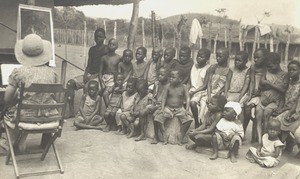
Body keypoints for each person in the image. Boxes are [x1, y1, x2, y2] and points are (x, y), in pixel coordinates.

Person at [4, 34, 58, 152]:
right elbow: (53, 96)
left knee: (6, 111)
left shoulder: (19, 72)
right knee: (23, 107)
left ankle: (12, 143)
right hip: (49, 117)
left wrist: (17, 95)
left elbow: (7, 99)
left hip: (25, 117)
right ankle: (20, 141)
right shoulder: (52, 74)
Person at [66, 28, 108, 118]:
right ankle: (71, 112)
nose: (98, 39)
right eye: (96, 37)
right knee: (70, 83)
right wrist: (85, 74)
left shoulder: (106, 49)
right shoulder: (92, 49)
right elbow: (89, 64)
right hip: (90, 74)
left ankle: (91, 113)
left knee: (88, 86)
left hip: (99, 75)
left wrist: (94, 78)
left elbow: (106, 67)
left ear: (104, 37)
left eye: (100, 37)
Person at [256, 52, 289, 144]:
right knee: (258, 114)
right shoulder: (266, 71)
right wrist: (275, 86)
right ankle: (259, 140)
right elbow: (260, 86)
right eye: (267, 66)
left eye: (270, 66)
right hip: (263, 100)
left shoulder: (284, 75)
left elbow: (282, 90)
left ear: (278, 62)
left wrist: (269, 83)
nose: (269, 68)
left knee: (266, 114)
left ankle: (265, 141)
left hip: (274, 102)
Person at [154, 70, 193, 145]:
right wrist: (162, 108)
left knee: (189, 120)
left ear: (180, 79)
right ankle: (164, 134)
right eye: (170, 77)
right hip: (168, 108)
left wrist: (187, 109)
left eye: (173, 77)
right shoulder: (168, 86)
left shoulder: (184, 87)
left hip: (180, 109)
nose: (171, 79)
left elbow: (188, 98)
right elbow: (164, 98)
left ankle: (181, 135)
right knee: (157, 118)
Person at [272, 60, 300, 152]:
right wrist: (280, 108)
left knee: (281, 119)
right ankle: (280, 144)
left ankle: (287, 144)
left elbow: (296, 103)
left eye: (294, 70)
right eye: (289, 69)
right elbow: (284, 97)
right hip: (286, 108)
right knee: (274, 119)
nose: (291, 72)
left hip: (295, 110)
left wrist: (283, 110)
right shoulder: (288, 82)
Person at [243, 48, 268, 142]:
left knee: (257, 113)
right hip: (254, 92)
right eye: (254, 57)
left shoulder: (267, 68)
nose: (255, 59)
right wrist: (250, 94)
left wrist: (260, 93)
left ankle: (257, 137)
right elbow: (252, 82)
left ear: (265, 58)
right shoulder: (253, 67)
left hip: (263, 94)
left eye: (258, 57)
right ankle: (243, 130)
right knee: (247, 107)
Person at [188, 48, 211, 128]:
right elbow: (190, 80)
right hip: (193, 89)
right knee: (188, 101)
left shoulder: (208, 68)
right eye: (198, 56)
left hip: (202, 91)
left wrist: (193, 93)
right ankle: (194, 121)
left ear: (207, 59)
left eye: (201, 57)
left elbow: (205, 85)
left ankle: (198, 123)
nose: (198, 58)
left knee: (197, 104)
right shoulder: (193, 66)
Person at [149, 67, 170, 144]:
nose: (160, 76)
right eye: (159, 74)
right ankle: (142, 133)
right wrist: (153, 105)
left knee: (155, 115)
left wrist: (157, 107)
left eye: (162, 75)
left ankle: (158, 136)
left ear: (167, 76)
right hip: (157, 104)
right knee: (143, 112)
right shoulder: (157, 84)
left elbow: (168, 101)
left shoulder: (169, 86)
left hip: (165, 106)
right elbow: (154, 96)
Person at [99, 38, 122, 107]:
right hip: (104, 78)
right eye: (110, 44)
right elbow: (100, 72)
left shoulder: (119, 58)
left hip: (113, 79)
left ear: (117, 47)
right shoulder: (104, 58)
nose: (111, 45)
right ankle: (96, 112)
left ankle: (109, 112)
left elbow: (121, 70)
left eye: (113, 44)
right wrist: (102, 83)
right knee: (95, 91)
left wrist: (118, 82)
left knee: (105, 94)